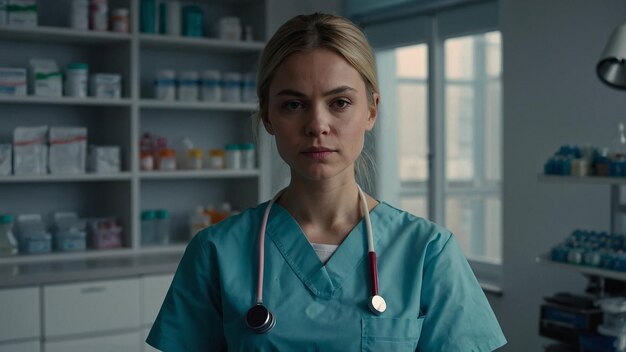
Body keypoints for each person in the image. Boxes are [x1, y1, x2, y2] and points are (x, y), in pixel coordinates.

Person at [146, 13, 507, 351]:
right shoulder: (216, 253)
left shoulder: (427, 251)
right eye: (293, 105)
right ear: (268, 116)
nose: (317, 124)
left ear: (371, 111)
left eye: (340, 102)